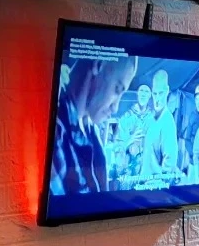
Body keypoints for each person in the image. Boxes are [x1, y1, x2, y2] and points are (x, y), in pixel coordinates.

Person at [48, 55, 138, 196]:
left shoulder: (90, 131)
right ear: (99, 64)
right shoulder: (54, 128)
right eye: (117, 89)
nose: (115, 108)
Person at [141, 69, 178, 182]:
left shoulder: (168, 122)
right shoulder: (151, 118)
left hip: (154, 188)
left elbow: (169, 168)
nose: (157, 99)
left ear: (167, 91)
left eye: (160, 93)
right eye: (154, 93)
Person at [115, 83, 151, 179]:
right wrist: (129, 141)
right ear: (137, 94)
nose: (143, 94)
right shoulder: (125, 118)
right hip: (129, 174)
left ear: (150, 95)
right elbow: (118, 147)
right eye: (141, 91)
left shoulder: (154, 119)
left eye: (146, 91)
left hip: (149, 174)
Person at [178, 82, 199, 180]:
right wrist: (193, 154)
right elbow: (187, 139)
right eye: (196, 97)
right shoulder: (192, 115)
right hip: (192, 161)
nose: (198, 99)